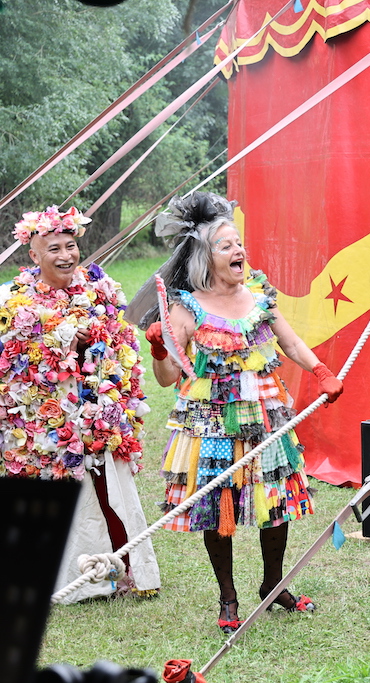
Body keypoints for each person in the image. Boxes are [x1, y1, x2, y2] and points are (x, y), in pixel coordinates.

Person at [135, 192, 343, 633]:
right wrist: (159, 347)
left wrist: (321, 369)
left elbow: (289, 342)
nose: (239, 252)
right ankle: (227, 596)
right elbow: (168, 377)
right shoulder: (187, 307)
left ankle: (273, 586)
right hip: (210, 423)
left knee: (277, 504)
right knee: (218, 509)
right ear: (204, 258)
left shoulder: (259, 295)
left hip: (266, 416)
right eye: (227, 246)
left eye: (239, 244)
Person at [0, 206, 161, 603]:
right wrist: (61, 345)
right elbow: (16, 363)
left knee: (111, 491)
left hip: (99, 414)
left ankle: (126, 572)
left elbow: (122, 346)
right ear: (33, 255)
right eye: (53, 248)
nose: (65, 255)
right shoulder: (16, 301)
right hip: (47, 423)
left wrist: (97, 348)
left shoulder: (99, 288)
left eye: (70, 246)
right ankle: (67, 576)